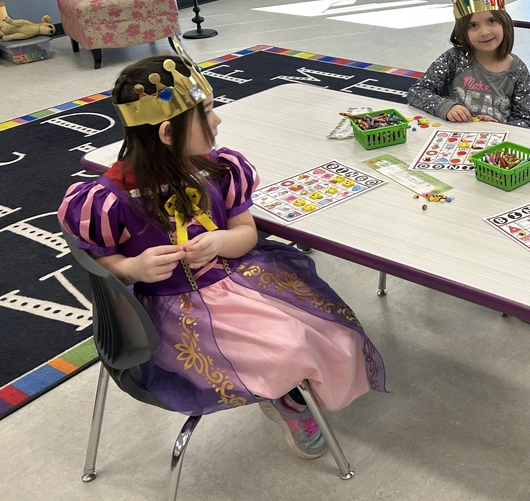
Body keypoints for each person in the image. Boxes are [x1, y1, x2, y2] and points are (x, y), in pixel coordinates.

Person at [58, 45, 386, 460]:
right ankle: (288, 398)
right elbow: (102, 264)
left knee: (330, 330)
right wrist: (132, 265)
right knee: (287, 347)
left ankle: (288, 392)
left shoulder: (221, 169)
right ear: (167, 133)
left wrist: (219, 242)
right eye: (207, 112)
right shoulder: (109, 199)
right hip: (175, 311)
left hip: (237, 278)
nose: (217, 119)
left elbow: (245, 232)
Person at [407, 0, 530, 128]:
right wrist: (446, 107)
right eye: (473, 25)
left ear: (504, 23)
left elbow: (526, 120)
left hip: (497, 144)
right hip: (454, 138)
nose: (484, 32)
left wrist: (501, 127)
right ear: (463, 32)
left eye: (492, 21)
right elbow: (416, 92)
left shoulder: (517, 70)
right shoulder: (454, 58)